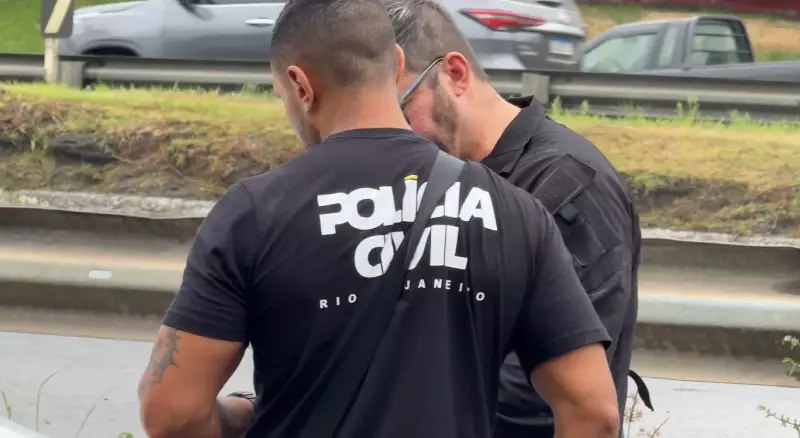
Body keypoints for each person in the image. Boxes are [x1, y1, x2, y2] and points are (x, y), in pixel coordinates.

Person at [137, 0, 620, 437]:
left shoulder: (252, 213)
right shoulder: (515, 211)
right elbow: (593, 412)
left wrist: (245, 415)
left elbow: (172, 413)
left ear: (301, 86)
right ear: (397, 66)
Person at [384, 1, 645, 437]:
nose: (393, 133)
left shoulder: (568, 185)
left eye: (401, 110)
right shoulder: (432, 176)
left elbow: (549, 394)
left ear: (455, 74)